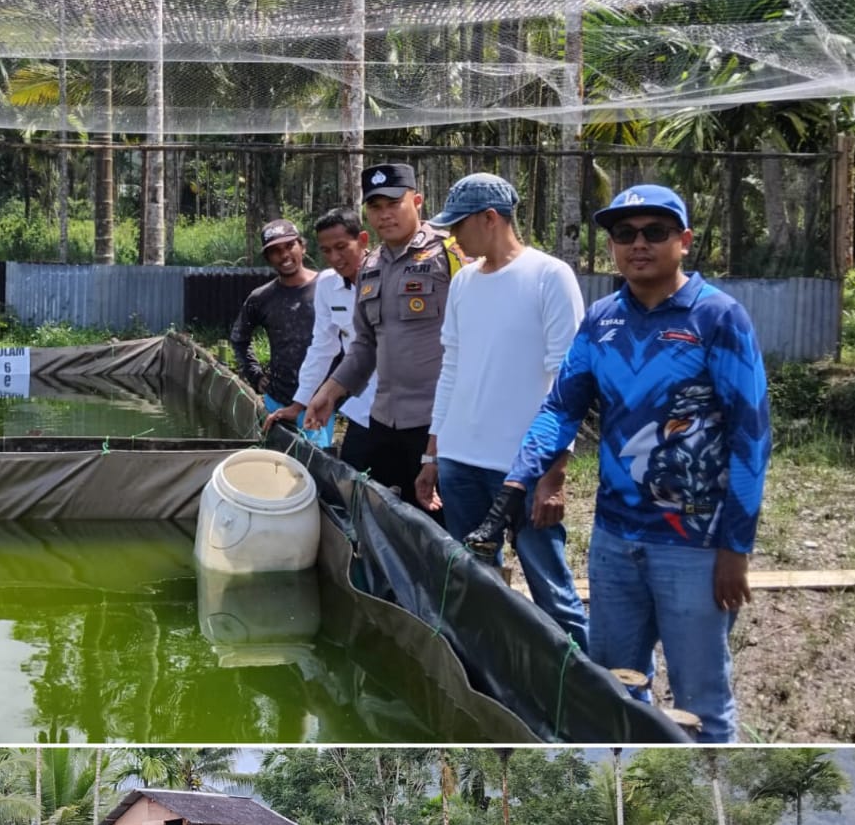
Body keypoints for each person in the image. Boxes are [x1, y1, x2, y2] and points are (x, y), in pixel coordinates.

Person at [464, 185, 771, 743]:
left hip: (693, 545)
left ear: (684, 241)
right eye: (624, 233)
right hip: (615, 539)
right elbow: (561, 407)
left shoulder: (718, 318)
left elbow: (751, 437)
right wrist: (517, 481)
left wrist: (736, 548)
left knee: (702, 700)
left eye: (654, 231)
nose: (638, 244)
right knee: (615, 685)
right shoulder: (603, 320)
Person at [414, 173, 589, 650]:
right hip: (461, 461)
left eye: (459, 226)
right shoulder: (465, 282)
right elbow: (452, 368)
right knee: (476, 585)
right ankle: (494, 680)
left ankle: (590, 696)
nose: (452, 237)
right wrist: (434, 453)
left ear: (490, 219)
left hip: (525, 467)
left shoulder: (550, 277)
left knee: (551, 589)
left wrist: (554, 475)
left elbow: (567, 381)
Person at [302, 163, 468, 507]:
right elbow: (364, 346)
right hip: (383, 420)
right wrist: (328, 394)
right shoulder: (372, 266)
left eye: (394, 203)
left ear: (417, 201)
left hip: (436, 423)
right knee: (380, 519)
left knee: (439, 527)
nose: (385, 215)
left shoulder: (450, 255)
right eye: (375, 207)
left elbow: (476, 338)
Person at [264, 205, 377, 469]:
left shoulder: (389, 275)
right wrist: (299, 403)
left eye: (341, 247)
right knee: (353, 479)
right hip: (362, 404)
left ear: (361, 240)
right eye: (326, 251)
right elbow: (322, 347)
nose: (335, 258)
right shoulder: (327, 285)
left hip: (407, 405)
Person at [229, 219, 332, 448]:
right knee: (275, 467)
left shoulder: (329, 287)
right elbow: (239, 338)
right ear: (268, 258)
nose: (284, 255)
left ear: (302, 247)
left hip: (320, 402)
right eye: (275, 251)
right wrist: (255, 376)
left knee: (317, 468)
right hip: (277, 399)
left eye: (289, 246)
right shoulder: (261, 298)